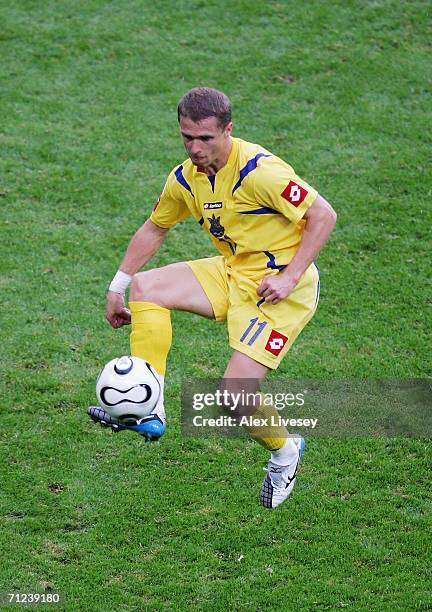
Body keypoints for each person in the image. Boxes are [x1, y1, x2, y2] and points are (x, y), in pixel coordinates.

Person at [88, 87, 337, 509]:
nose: (196, 148)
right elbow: (154, 228)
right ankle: (151, 408)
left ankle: (285, 451)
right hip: (233, 271)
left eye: (205, 138)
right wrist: (117, 286)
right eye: (188, 137)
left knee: (234, 397)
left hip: (279, 291)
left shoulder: (261, 171)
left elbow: (323, 215)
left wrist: (291, 276)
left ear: (228, 130)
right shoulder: (185, 178)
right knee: (147, 286)